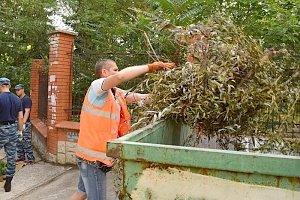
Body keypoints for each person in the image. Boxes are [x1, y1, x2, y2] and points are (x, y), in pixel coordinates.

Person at [69, 60, 175, 200]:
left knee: (81, 193)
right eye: (115, 69)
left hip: (90, 157)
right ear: (104, 72)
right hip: (92, 160)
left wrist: (168, 95)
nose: (117, 72)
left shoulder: (115, 92)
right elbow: (120, 77)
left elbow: (139, 97)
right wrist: (150, 67)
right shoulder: (97, 86)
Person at [0, 77, 23, 192]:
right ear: (8, 85)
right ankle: (8, 182)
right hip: (13, 128)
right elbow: (20, 117)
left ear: (0, 86)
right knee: (11, 155)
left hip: (1, 128)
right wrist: (20, 132)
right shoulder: (17, 99)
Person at [15, 83, 35, 164]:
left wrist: (23, 123)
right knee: (19, 140)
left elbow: (27, 111)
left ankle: (31, 158)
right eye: (16, 90)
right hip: (19, 122)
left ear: (23, 89)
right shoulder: (19, 99)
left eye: (18, 90)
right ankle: (21, 157)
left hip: (24, 123)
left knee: (26, 141)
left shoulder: (26, 99)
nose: (17, 91)